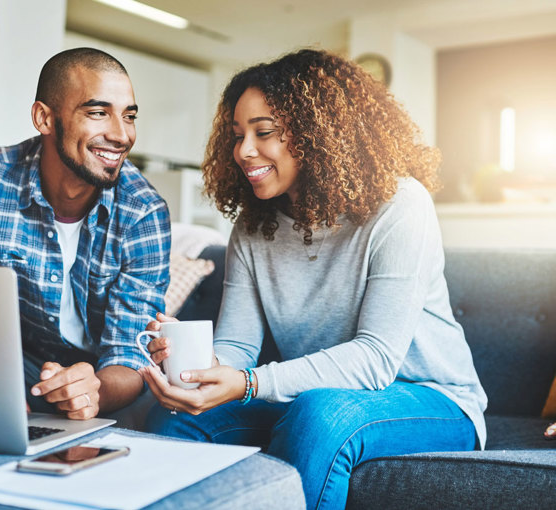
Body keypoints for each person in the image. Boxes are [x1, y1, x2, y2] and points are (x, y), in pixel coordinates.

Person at [139, 49, 487, 509]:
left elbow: (375, 360)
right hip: (315, 397)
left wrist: (248, 384)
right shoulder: (252, 224)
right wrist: (192, 366)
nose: (244, 151)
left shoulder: (400, 205)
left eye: (263, 133)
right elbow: (237, 349)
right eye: (237, 135)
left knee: (322, 413)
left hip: (434, 400)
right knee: (177, 421)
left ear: (319, 134)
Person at [0, 47, 170, 420]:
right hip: (18, 360)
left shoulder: (143, 211)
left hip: (104, 374)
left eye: (128, 116)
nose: (121, 134)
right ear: (44, 118)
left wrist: (91, 391)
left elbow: (129, 356)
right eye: (98, 113)